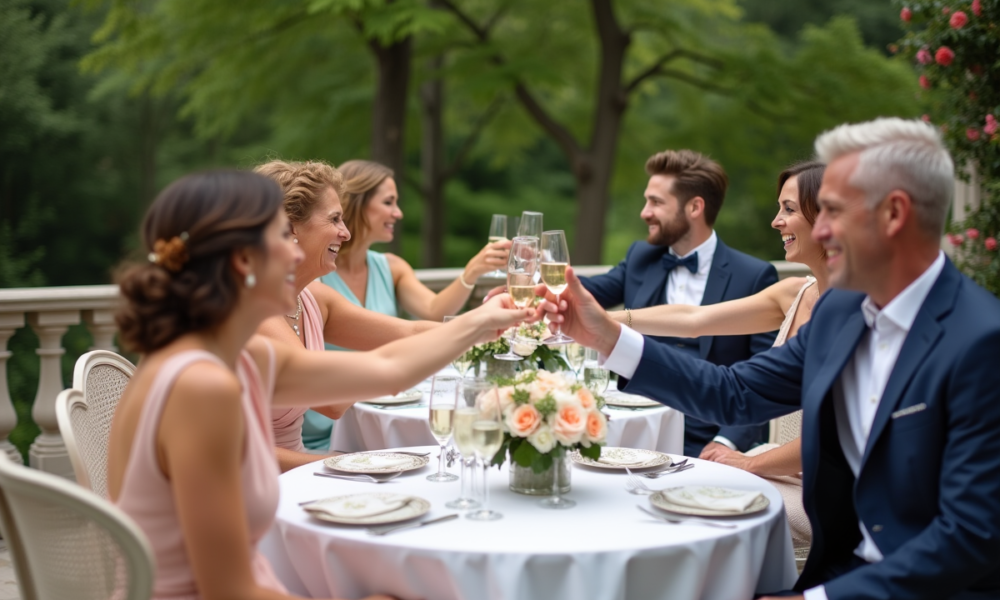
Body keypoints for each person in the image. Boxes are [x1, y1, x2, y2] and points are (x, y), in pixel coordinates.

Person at [540, 118, 1000, 600]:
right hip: (840, 572)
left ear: (893, 215)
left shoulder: (981, 344)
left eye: (833, 211)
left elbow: (970, 538)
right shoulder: (841, 312)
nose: (818, 229)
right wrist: (609, 335)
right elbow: (734, 393)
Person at [107, 170, 530, 600]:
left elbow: (388, 369)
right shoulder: (201, 387)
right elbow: (231, 592)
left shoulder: (237, 355)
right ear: (243, 261)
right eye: (282, 237)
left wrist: (483, 322)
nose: (295, 255)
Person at [611, 161, 826, 552]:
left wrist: (748, 463)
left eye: (789, 209)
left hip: (824, 484)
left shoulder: (861, 311)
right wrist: (613, 322)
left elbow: (831, 436)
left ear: (830, 217)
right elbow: (695, 319)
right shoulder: (793, 292)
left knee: (692, 522)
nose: (776, 222)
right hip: (773, 465)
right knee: (652, 495)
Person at [580, 149, 778, 458]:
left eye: (656, 202)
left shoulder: (754, 277)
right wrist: (535, 275)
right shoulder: (640, 258)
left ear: (695, 207)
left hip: (708, 431)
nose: (645, 212)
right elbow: (586, 292)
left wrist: (726, 443)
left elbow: (764, 376)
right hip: (635, 424)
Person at [254, 160, 438, 469]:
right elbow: (332, 401)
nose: (346, 233)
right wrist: (338, 463)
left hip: (301, 466)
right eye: (335, 219)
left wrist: (496, 326)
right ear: (290, 228)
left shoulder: (313, 297)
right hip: (267, 478)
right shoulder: (256, 310)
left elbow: (411, 332)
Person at [320, 159, 510, 323]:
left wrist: (472, 271)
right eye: (388, 202)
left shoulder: (392, 268)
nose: (398, 213)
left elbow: (435, 311)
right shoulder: (316, 269)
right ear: (356, 203)